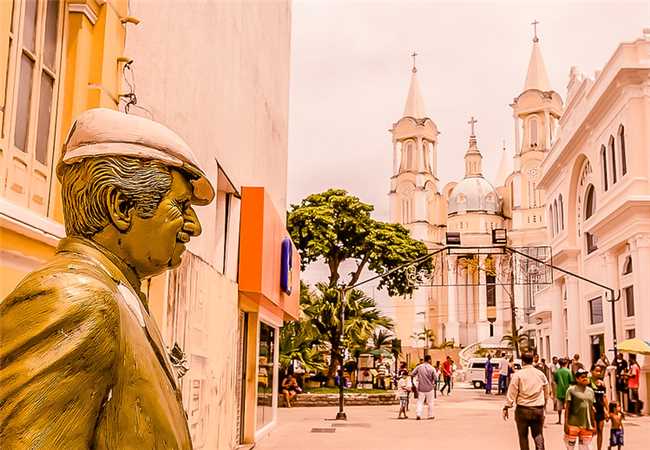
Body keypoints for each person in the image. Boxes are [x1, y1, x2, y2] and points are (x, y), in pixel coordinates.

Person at [0, 108, 215, 448]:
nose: (194, 226)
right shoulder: (77, 299)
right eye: (180, 206)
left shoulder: (119, 296)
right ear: (121, 206)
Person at [502, 351, 549, 450]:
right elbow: (546, 390)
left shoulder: (518, 375)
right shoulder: (540, 374)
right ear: (532, 360)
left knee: (523, 436)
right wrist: (544, 405)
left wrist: (507, 406)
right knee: (538, 434)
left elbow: (512, 392)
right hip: (538, 409)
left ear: (522, 361)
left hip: (523, 410)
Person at [564, 368, 596, 450]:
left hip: (587, 425)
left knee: (585, 447)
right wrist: (566, 424)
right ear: (577, 379)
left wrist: (594, 424)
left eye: (586, 377)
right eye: (582, 377)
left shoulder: (591, 391)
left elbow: (592, 408)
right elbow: (567, 407)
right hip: (573, 424)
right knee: (570, 447)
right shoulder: (571, 390)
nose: (585, 378)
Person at [411, 354, 436, 420]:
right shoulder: (432, 368)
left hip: (421, 388)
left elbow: (412, 374)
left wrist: (413, 383)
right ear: (429, 360)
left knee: (420, 402)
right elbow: (435, 378)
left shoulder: (419, 367)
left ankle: (418, 414)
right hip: (430, 388)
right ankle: (430, 415)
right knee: (430, 402)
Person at [555, 358, 573, 425]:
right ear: (566, 364)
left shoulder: (557, 372)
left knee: (559, 407)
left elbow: (556, 381)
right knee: (567, 407)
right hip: (567, 391)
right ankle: (568, 420)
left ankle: (559, 420)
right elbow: (571, 381)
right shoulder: (568, 371)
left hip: (559, 391)